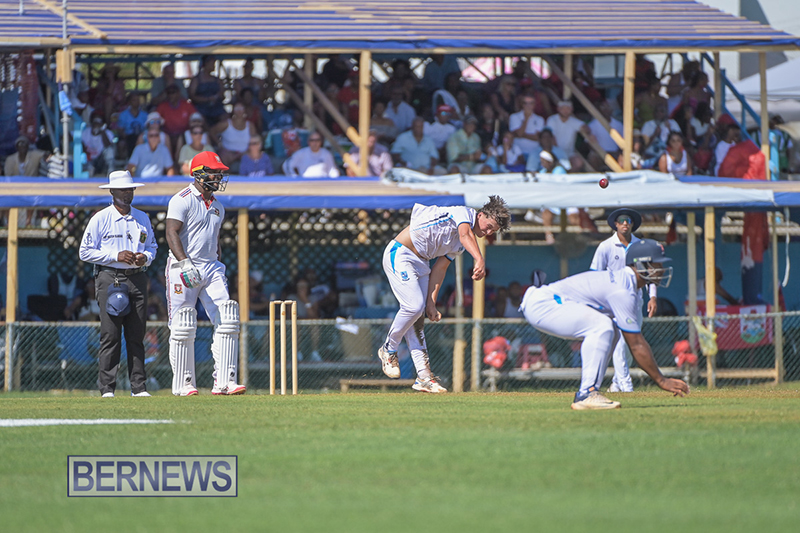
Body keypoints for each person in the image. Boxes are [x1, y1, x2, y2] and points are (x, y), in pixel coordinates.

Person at [522, 238, 690, 409]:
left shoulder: (626, 284)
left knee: (611, 330)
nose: (661, 269)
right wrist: (661, 380)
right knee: (602, 326)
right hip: (543, 304)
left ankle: (590, 391)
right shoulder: (622, 290)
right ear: (641, 265)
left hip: (544, 301)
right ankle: (587, 393)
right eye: (657, 264)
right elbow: (636, 344)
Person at [377, 196, 510, 392]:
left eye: (493, 231)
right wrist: (479, 259)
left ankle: (423, 377)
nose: (488, 232)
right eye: (488, 226)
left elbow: (440, 268)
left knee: (418, 318)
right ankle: (388, 349)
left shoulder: (462, 244)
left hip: (422, 263)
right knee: (413, 307)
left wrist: (431, 302)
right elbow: (465, 234)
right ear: (480, 214)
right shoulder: (464, 213)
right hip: (400, 253)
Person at [164, 151, 245, 396]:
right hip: (184, 266)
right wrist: (184, 263)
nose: (218, 176)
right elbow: (171, 233)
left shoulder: (219, 207)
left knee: (228, 316)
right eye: (214, 171)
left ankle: (225, 381)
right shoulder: (182, 199)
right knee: (183, 323)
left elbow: (215, 240)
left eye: (219, 172)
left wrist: (217, 262)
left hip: (211, 266)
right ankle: (183, 383)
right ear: (198, 173)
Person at [78, 170, 157, 398]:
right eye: (123, 190)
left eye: (130, 189)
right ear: (112, 192)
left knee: (136, 334)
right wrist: (115, 256)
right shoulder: (100, 218)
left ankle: (138, 387)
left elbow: (152, 247)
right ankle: (107, 388)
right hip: (110, 278)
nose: (127, 193)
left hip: (137, 276)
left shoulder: (142, 218)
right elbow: (85, 251)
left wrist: (146, 258)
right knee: (110, 334)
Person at [590, 208, 657, 393]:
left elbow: (649, 274)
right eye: (622, 221)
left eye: (628, 220)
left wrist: (652, 297)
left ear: (632, 224)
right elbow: (596, 275)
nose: (625, 223)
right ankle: (627, 386)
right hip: (614, 302)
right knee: (619, 343)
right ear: (616, 224)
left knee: (630, 345)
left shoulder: (641, 245)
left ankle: (616, 384)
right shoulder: (605, 246)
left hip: (636, 301)